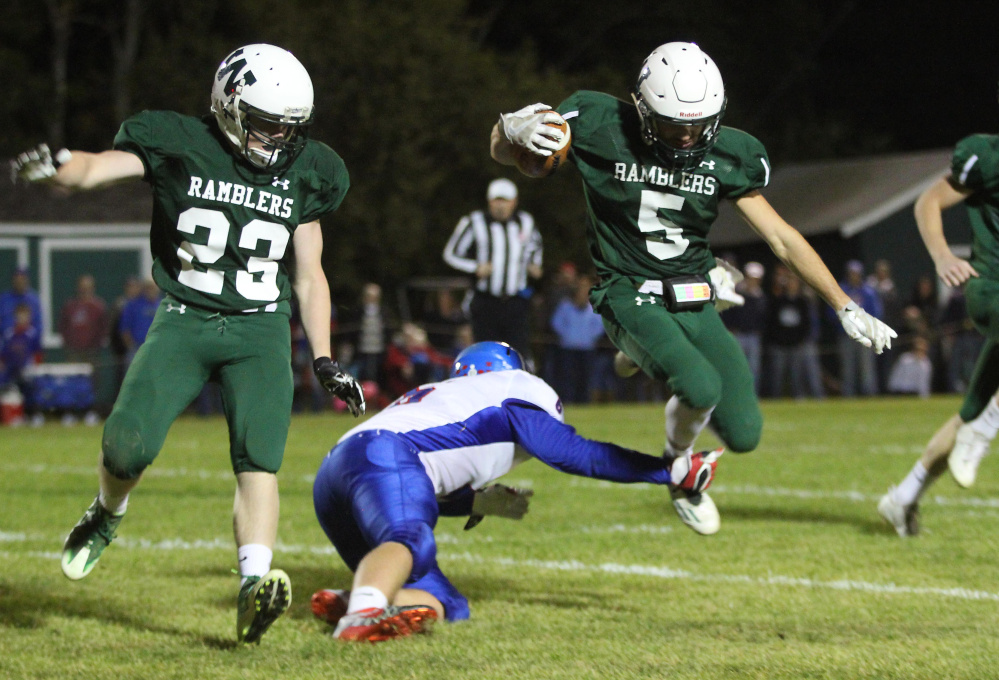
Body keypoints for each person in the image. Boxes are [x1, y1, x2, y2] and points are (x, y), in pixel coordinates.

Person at [10, 43, 365, 643]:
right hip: (185, 317)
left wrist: (324, 357)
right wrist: (60, 164)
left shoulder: (309, 170)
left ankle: (254, 584)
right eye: (267, 123)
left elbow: (310, 274)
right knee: (125, 448)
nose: (278, 139)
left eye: (289, 128)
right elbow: (97, 168)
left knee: (260, 459)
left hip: (259, 329)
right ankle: (107, 512)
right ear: (229, 104)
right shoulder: (178, 140)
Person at [490, 41, 895, 534]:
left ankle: (641, 354)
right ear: (640, 107)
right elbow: (505, 150)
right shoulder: (597, 122)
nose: (686, 138)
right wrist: (510, 127)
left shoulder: (731, 153)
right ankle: (679, 473)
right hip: (628, 287)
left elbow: (782, 238)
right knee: (700, 386)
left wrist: (844, 304)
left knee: (745, 434)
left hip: (695, 290)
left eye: (698, 125)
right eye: (671, 125)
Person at [309, 341, 722, 642]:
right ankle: (360, 617)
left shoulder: (444, 397)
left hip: (335, 475)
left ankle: (354, 599)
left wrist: (474, 501)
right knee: (410, 539)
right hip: (385, 456)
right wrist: (666, 471)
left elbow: (409, 486)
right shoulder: (513, 388)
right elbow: (573, 453)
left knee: (449, 606)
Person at [878, 124, 999, 536]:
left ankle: (904, 497)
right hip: (991, 288)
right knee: (981, 421)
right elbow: (929, 200)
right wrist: (942, 255)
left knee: (972, 409)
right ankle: (984, 431)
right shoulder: (988, 157)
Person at [442, 178, 543, 360]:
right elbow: (451, 253)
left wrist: (534, 263)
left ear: (514, 202)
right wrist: (475, 267)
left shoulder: (525, 222)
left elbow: (535, 246)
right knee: (485, 351)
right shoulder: (474, 221)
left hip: (515, 301)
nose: (501, 206)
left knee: (518, 353)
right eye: (497, 200)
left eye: (505, 201)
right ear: (489, 201)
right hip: (486, 300)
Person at [59, 274, 108, 424]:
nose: (85, 290)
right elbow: (63, 326)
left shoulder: (98, 306)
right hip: (74, 350)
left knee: (91, 382)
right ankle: (70, 412)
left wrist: (96, 344)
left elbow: (103, 328)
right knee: (73, 381)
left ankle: (90, 411)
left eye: (88, 287)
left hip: (92, 350)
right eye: (82, 287)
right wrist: (69, 344)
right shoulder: (71, 306)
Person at [550, 273, 607, 403]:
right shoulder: (565, 306)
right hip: (568, 349)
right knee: (567, 379)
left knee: (586, 379)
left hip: (587, 350)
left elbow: (599, 327)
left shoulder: (593, 307)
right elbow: (556, 323)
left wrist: (589, 338)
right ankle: (567, 402)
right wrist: (568, 336)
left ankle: (584, 403)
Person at [835, 260, 883, 396]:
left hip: (865, 335)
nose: (854, 276)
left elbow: (876, 313)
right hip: (847, 335)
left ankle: (869, 397)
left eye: (856, 273)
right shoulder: (842, 290)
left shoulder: (868, 292)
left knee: (867, 370)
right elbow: (832, 312)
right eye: (851, 273)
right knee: (847, 369)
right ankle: (848, 397)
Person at [0, 303, 43, 426]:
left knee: (29, 388)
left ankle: (33, 415)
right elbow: (4, 355)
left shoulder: (32, 333)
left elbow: (38, 353)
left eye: (25, 315)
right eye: (20, 315)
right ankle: (13, 415)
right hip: (11, 370)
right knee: (8, 388)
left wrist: (34, 367)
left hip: (27, 369)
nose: (22, 318)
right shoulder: (9, 334)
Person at [117, 279, 161, 365]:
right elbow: (124, 329)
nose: (151, 291)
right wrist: (132, 347)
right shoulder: (133, 305)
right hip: (138, 348)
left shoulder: (162, 305)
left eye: (153, 288)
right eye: (148, 288)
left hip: (158, 348)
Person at [0, 267, 43, 337]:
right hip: (6, 341)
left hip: (28, 342)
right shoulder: (3, 300)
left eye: (22, 279)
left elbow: (38, 325)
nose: (19, 282)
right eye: (17, 279)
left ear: (27, 280)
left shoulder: (34, 300)